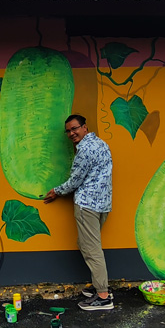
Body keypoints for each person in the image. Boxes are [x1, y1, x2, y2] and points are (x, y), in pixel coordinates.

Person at [44, 114, 114, 311]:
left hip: (87, 205)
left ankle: (103, 296)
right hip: (102, 204)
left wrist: (57, 191)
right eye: (68, 131)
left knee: (92, 249)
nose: (71, 133)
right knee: (86, 244)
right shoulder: (101, 144)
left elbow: (75, 180)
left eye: (74, 128)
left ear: (85, 127)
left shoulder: (84, 150)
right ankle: (101, 287)